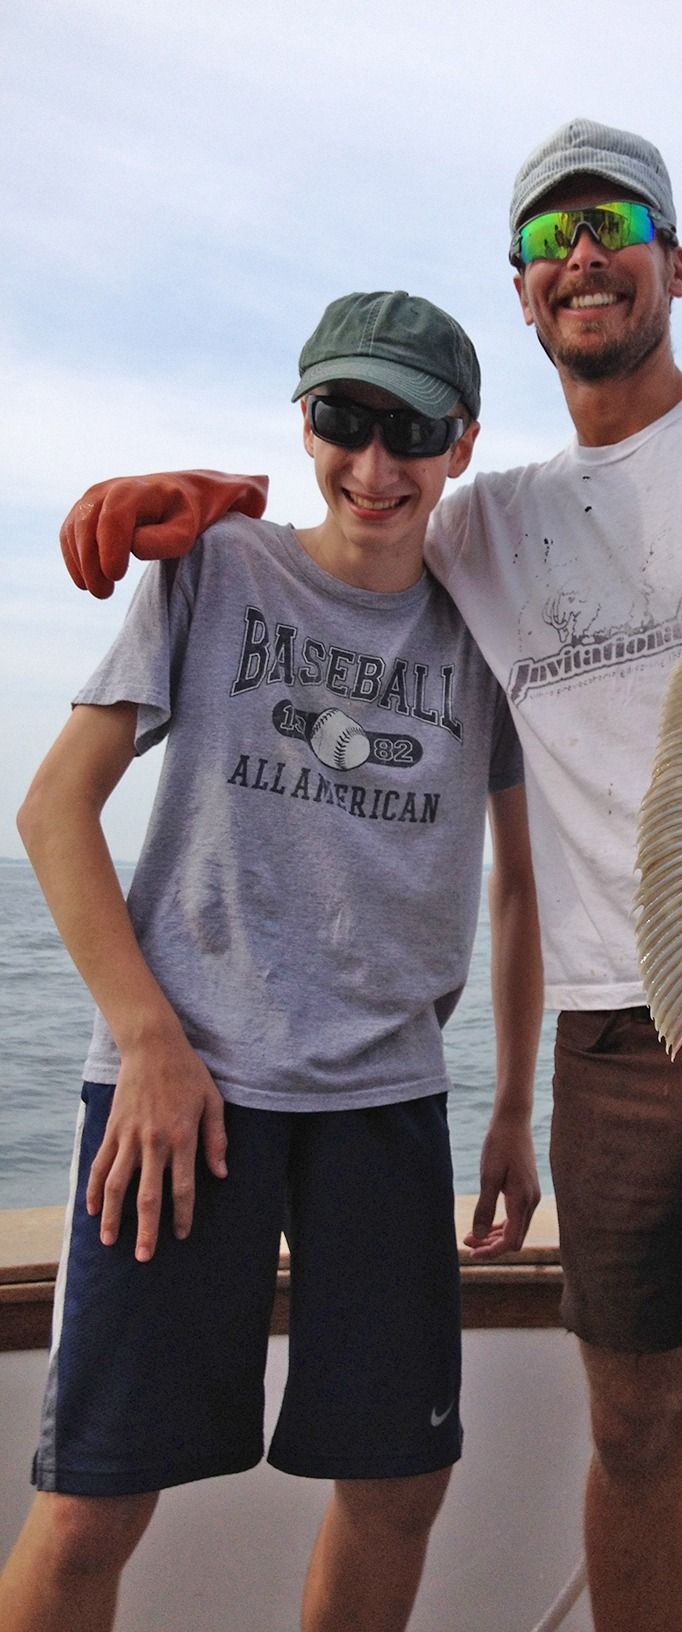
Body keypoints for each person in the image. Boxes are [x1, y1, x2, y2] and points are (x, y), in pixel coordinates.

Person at [56, 124, 682, 1631]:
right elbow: (348, 521)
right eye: (548, 235)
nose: (584, 248)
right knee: (634, 1429)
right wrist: (185, 495)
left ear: (674, 262)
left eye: (617, 218)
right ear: (520, 296)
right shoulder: (485, 527)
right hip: (615, 1042)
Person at [2, 289, 542, 1632]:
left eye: (410, 429)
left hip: (385, 1103)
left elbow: (523, 890)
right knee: (90, 1508)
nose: (375, 465)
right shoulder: (216, 569)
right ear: (304, 420)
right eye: (344, 420)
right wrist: (148, 1041)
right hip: (181, 1094)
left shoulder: (489, 627)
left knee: (401, 1481)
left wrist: (515, 1109)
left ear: (462, 442)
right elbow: (54, 808)